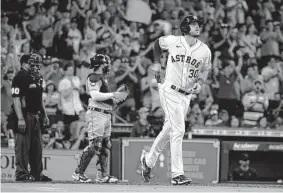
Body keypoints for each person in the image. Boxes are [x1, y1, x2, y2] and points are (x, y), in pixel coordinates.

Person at [140, 15, 212, 185]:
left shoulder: (205, 50)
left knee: (169, 129)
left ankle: (148, 161)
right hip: (170, 90)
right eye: (194, 24)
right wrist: (157, 63)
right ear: (185, 27)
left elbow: (205, 70)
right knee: (179, 129)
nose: (197, 27)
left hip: (186, 95)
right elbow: (157, 44)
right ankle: (177, 174)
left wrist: (200, 84)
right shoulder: (174, 41)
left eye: (198, 24)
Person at [72, 54, 128, 183]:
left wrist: (116, 100)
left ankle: (102, 175)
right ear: (100, 65)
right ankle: (78, 173)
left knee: (105, 145)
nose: (108, 66)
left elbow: (105, 99)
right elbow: (95, 95)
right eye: (106, 64)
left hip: (105, 114)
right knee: (95, 145)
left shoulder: (102, 79)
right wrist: (114, 94)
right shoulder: (94, 77)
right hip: (96, 114)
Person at [10, 54, 52, 182]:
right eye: (31, 63)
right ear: (23, 63)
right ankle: (21, 173)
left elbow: (40, 99)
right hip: (24, 114)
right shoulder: (19, 77)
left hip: (35, 115)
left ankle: (36, 173)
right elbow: (16, 99)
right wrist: (20, 118)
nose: (34, 65)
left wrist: (44, 114)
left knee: (37, 147)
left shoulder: (38, 77)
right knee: (22, 146)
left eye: (36, 63)